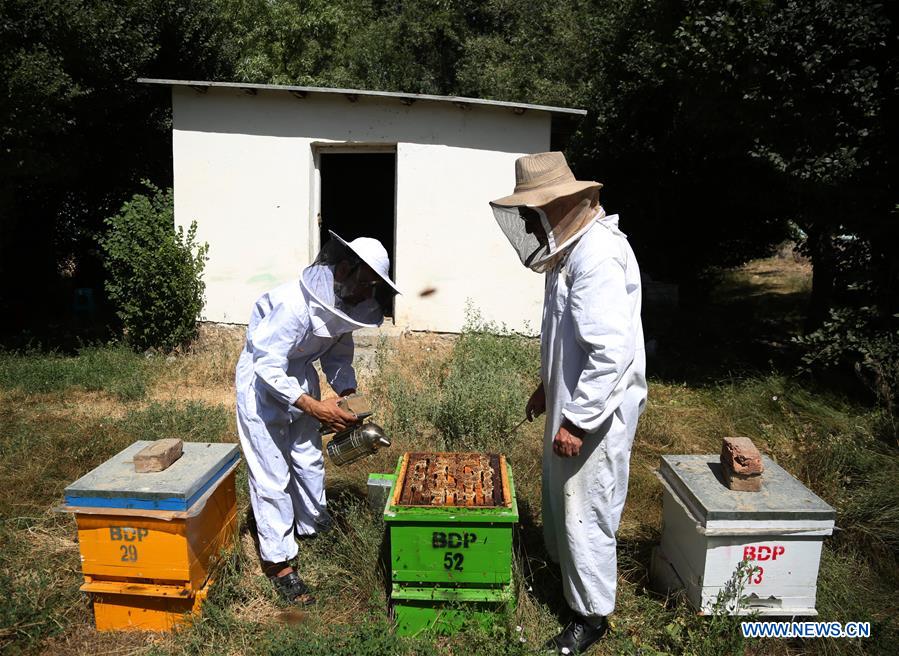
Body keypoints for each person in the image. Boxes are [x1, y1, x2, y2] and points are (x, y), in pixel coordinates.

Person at [490, 152, 647, 654]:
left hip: (595, 411)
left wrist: (578, 421)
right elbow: (566, 337)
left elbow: (609, 354)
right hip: (571, 400)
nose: (533, 224)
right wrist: (546, 384)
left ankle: (591, 615)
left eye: (537, 213)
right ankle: (568, 581)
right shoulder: (569, 255)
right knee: (565, 496)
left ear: (563, 204)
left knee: (588, 507)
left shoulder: (597, 255)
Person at [235, 231, 400, 603]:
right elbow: (266, 362)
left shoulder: (344, 305)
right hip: (262, 384)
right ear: (344, 268)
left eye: (374, 288)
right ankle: (279, 562)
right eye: (366, 284)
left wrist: (347, 395)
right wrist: (312, 405)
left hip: (301, 378)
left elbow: (337, 358)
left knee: (307, 459)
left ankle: (313, 526)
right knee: (272, 471)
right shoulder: (291, 304)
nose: (367, 295)